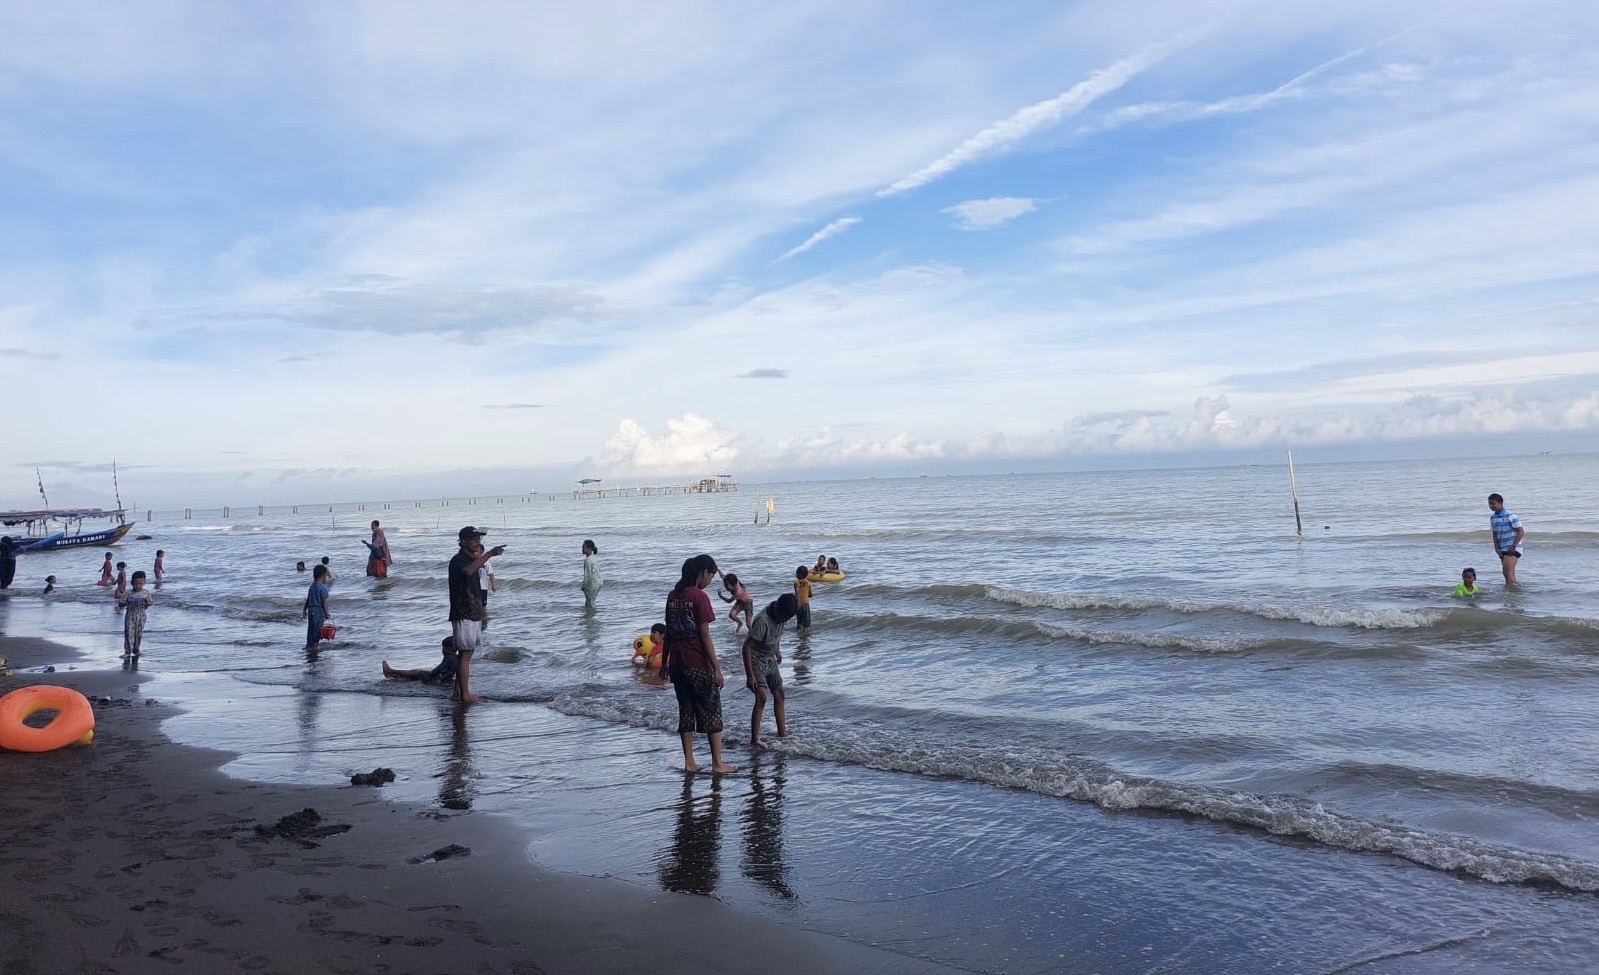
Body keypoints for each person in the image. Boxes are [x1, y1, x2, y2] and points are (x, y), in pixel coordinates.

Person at [661, 554, 736, 774]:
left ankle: (690, 762)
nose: (710, 581)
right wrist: (717, 668)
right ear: (703, 572)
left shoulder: (673, 596)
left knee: (686, 711)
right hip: (696, 662)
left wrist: (665, 661)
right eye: (711, 576)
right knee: (711, 709)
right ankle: (717, 763)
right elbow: (704, 636)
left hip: (676, 663)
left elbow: (669, 632)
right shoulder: (699, 597)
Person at [448, 527, 504, 705]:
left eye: (479, 538)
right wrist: (488, 555)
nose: (478, 541)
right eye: (473, 539)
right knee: (465, 654)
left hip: (472, 611)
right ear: (463, 542)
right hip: (463, 611)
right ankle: (465, 695)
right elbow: (467, 572)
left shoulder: (469, 558)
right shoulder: (458, 560)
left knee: (467, 653)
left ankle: (458, 692)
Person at [741, 593, 798, 749]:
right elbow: (746, 647)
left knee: (780, 694)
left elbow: (776, 636)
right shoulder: (762, 622)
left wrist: (777, 651)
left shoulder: (782, 617)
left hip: (769, 659)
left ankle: (782, 732)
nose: (784, 621)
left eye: (787, 618)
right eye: (784, 617)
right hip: (755, 661)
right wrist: (750, 675)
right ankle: (754, 739)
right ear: (778, 610)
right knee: (762, 696)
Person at [382, 637, 459, 687]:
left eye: (443, 648)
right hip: (434, 677)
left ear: (448, 649)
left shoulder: (450, 658)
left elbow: (446, 671)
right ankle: (392, 675)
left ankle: (391, 671)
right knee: (412, 677)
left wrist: (440, 679)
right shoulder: (450, 657)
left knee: (416, 673)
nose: (442, 650)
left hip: (433, 678)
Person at [1487, 493, 1525, 586]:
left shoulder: (1510, 515)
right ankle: (1513, 593)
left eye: (1493, 503)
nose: (1491, 506)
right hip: (1502, 548)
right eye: (1489, 504)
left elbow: (1521, 531)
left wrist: (1513, 546)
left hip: (1512, 548)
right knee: (1508, 573)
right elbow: (1494, 534)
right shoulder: (1493, 518)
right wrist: (1496, 549)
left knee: (1507, 571)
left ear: (1501, 503)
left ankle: (1511, 592)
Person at [119, 570, 154, 658]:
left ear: (144, 583)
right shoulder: (128, 593)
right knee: (129, 633)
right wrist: (127, 602)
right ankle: (127, 651)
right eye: (136, 583)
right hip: (130, 615)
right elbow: (120, 604)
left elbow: (150, 603)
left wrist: (146, 601)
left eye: (140, 584)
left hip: (141, 615)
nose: (138, 585)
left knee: (138, 633)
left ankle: (136, 649)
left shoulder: (146, 593)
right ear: (131, 583)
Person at [302, 564, 332, 652]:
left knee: (311, 629)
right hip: (318, 611)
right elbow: (324, 602)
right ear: (323, 576)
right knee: (317, 631)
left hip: (311, 610)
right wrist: (326, 614)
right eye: (326, 576)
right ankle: (315, 648)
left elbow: (308, 599)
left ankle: (309, 646)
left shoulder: (312, 586)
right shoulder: (322, 588)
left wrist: (304, 610)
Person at [581, 539, 602, 610]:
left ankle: (591, 618)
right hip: (599, 582)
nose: (582, 549)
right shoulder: (595, 558)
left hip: (592, 584)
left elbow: (587, 575)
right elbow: (598, 570)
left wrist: (584, 586)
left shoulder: (587, 560)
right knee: (589, 602)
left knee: (590, 603)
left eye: (584, 547)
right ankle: (588, 617)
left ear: (589, 549)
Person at [793, 566, 813, 637]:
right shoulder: (808, 583)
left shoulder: (796, 583)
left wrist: (797, 603)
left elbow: (797, 593)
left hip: (798, 604)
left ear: (798, 574)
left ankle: (799, 635)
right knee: (806, 623)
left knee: (799, 621)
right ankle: (805, 636)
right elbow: (811, 594)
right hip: (805, 604)